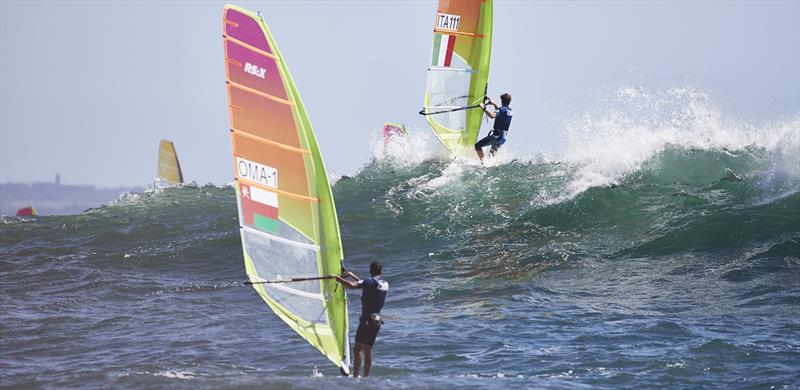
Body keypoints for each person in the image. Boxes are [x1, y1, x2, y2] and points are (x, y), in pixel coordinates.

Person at [335, 261, 389, 377]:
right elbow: (365, 284)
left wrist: (338, 278)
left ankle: (355, 377)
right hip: (377, 319)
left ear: (370, 270)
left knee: (358, 348)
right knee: (368, 349)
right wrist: (351, 275)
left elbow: (352, 285)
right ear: (381, 271)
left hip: (367, 320)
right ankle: (366, 378)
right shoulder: (384, 284)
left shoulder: (369, 282)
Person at [474, 93, 513, 161]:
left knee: (477, 146)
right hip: (503, 138)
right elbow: (500, 112)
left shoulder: (501, 110)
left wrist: (484, 108)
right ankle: (487, 164)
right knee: (490, 157)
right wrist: (493, 104)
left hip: (496, 136)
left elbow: (492, 116)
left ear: (501, 100)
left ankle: (483, 162)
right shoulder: (510, 110)